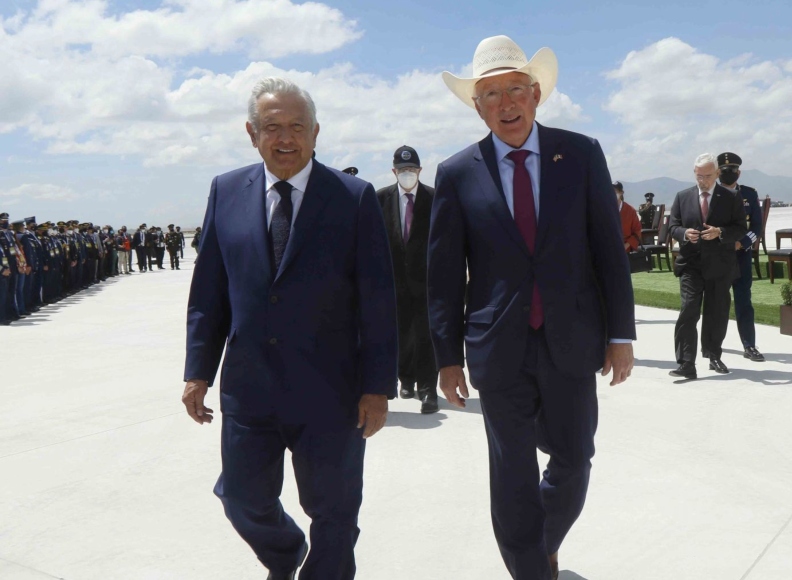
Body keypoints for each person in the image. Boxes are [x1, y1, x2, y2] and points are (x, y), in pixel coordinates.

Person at [430, 35, 636, 580]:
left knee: (574, 460)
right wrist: (447, 356)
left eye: (515, 89)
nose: (506, 103)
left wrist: (621, 335)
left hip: (571, 338)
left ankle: (540, 542)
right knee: (512, 472)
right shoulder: (456, 173)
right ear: (477, 106)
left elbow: (608, 253)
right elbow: (444, 275)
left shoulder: (581, 153)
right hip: (498, 346)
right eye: (491, 94)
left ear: (537, 93)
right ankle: (530, 570)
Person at [181, 77, 398, 580]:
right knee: (240, 498)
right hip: (250, 388)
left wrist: (377, 387)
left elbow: (379, 301)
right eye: (272, 127)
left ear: (316, 132)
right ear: (251, 133)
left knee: (336, 515)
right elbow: (209, 292)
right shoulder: (226, 190)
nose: (285, 138)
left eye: (296, 127)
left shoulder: (354, 197)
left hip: (332, 391)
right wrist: (198, 371)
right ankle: (283, 555)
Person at [668, 153, 748, 380]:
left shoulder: (731, 197)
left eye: (707, 176)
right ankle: (686, 363)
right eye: (698, 175)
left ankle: (713, 355)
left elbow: (741, 228)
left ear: (717, 174)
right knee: (688, 311)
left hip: (720, 266)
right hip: (691, 265)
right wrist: (684, 233)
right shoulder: (683, 197)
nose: (702, 180)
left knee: (717, 313)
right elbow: (673, 226)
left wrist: (720, 232)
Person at [376, 145, 440, 413]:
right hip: (393, 281)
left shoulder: (434, 198)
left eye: (411, 170)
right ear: (394, 171)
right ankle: (406, 379)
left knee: (426, 335)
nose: (407, 174)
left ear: (420, 171)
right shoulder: (380, 198)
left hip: (426, 281)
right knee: (400, 334)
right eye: (402, 170)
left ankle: (428, 390)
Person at [717, 152, 765, 362]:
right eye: (725, 170)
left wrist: (743, 243)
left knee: (744, 301)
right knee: (718, 302)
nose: (729, 173)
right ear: (718, 172)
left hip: (741, 256)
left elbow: (757, 226)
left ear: (739, 172)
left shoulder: (749, 194)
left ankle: (749, 345)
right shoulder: (711, 195)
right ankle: (713, 346)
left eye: (733, 170)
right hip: (718, 257)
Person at [615, 181, 642, 252]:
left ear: (621, 193)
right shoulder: (604, 210)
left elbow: (637, 231)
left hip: (626, 250)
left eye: (615, 191)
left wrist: (626, 246)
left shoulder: (630, 211)